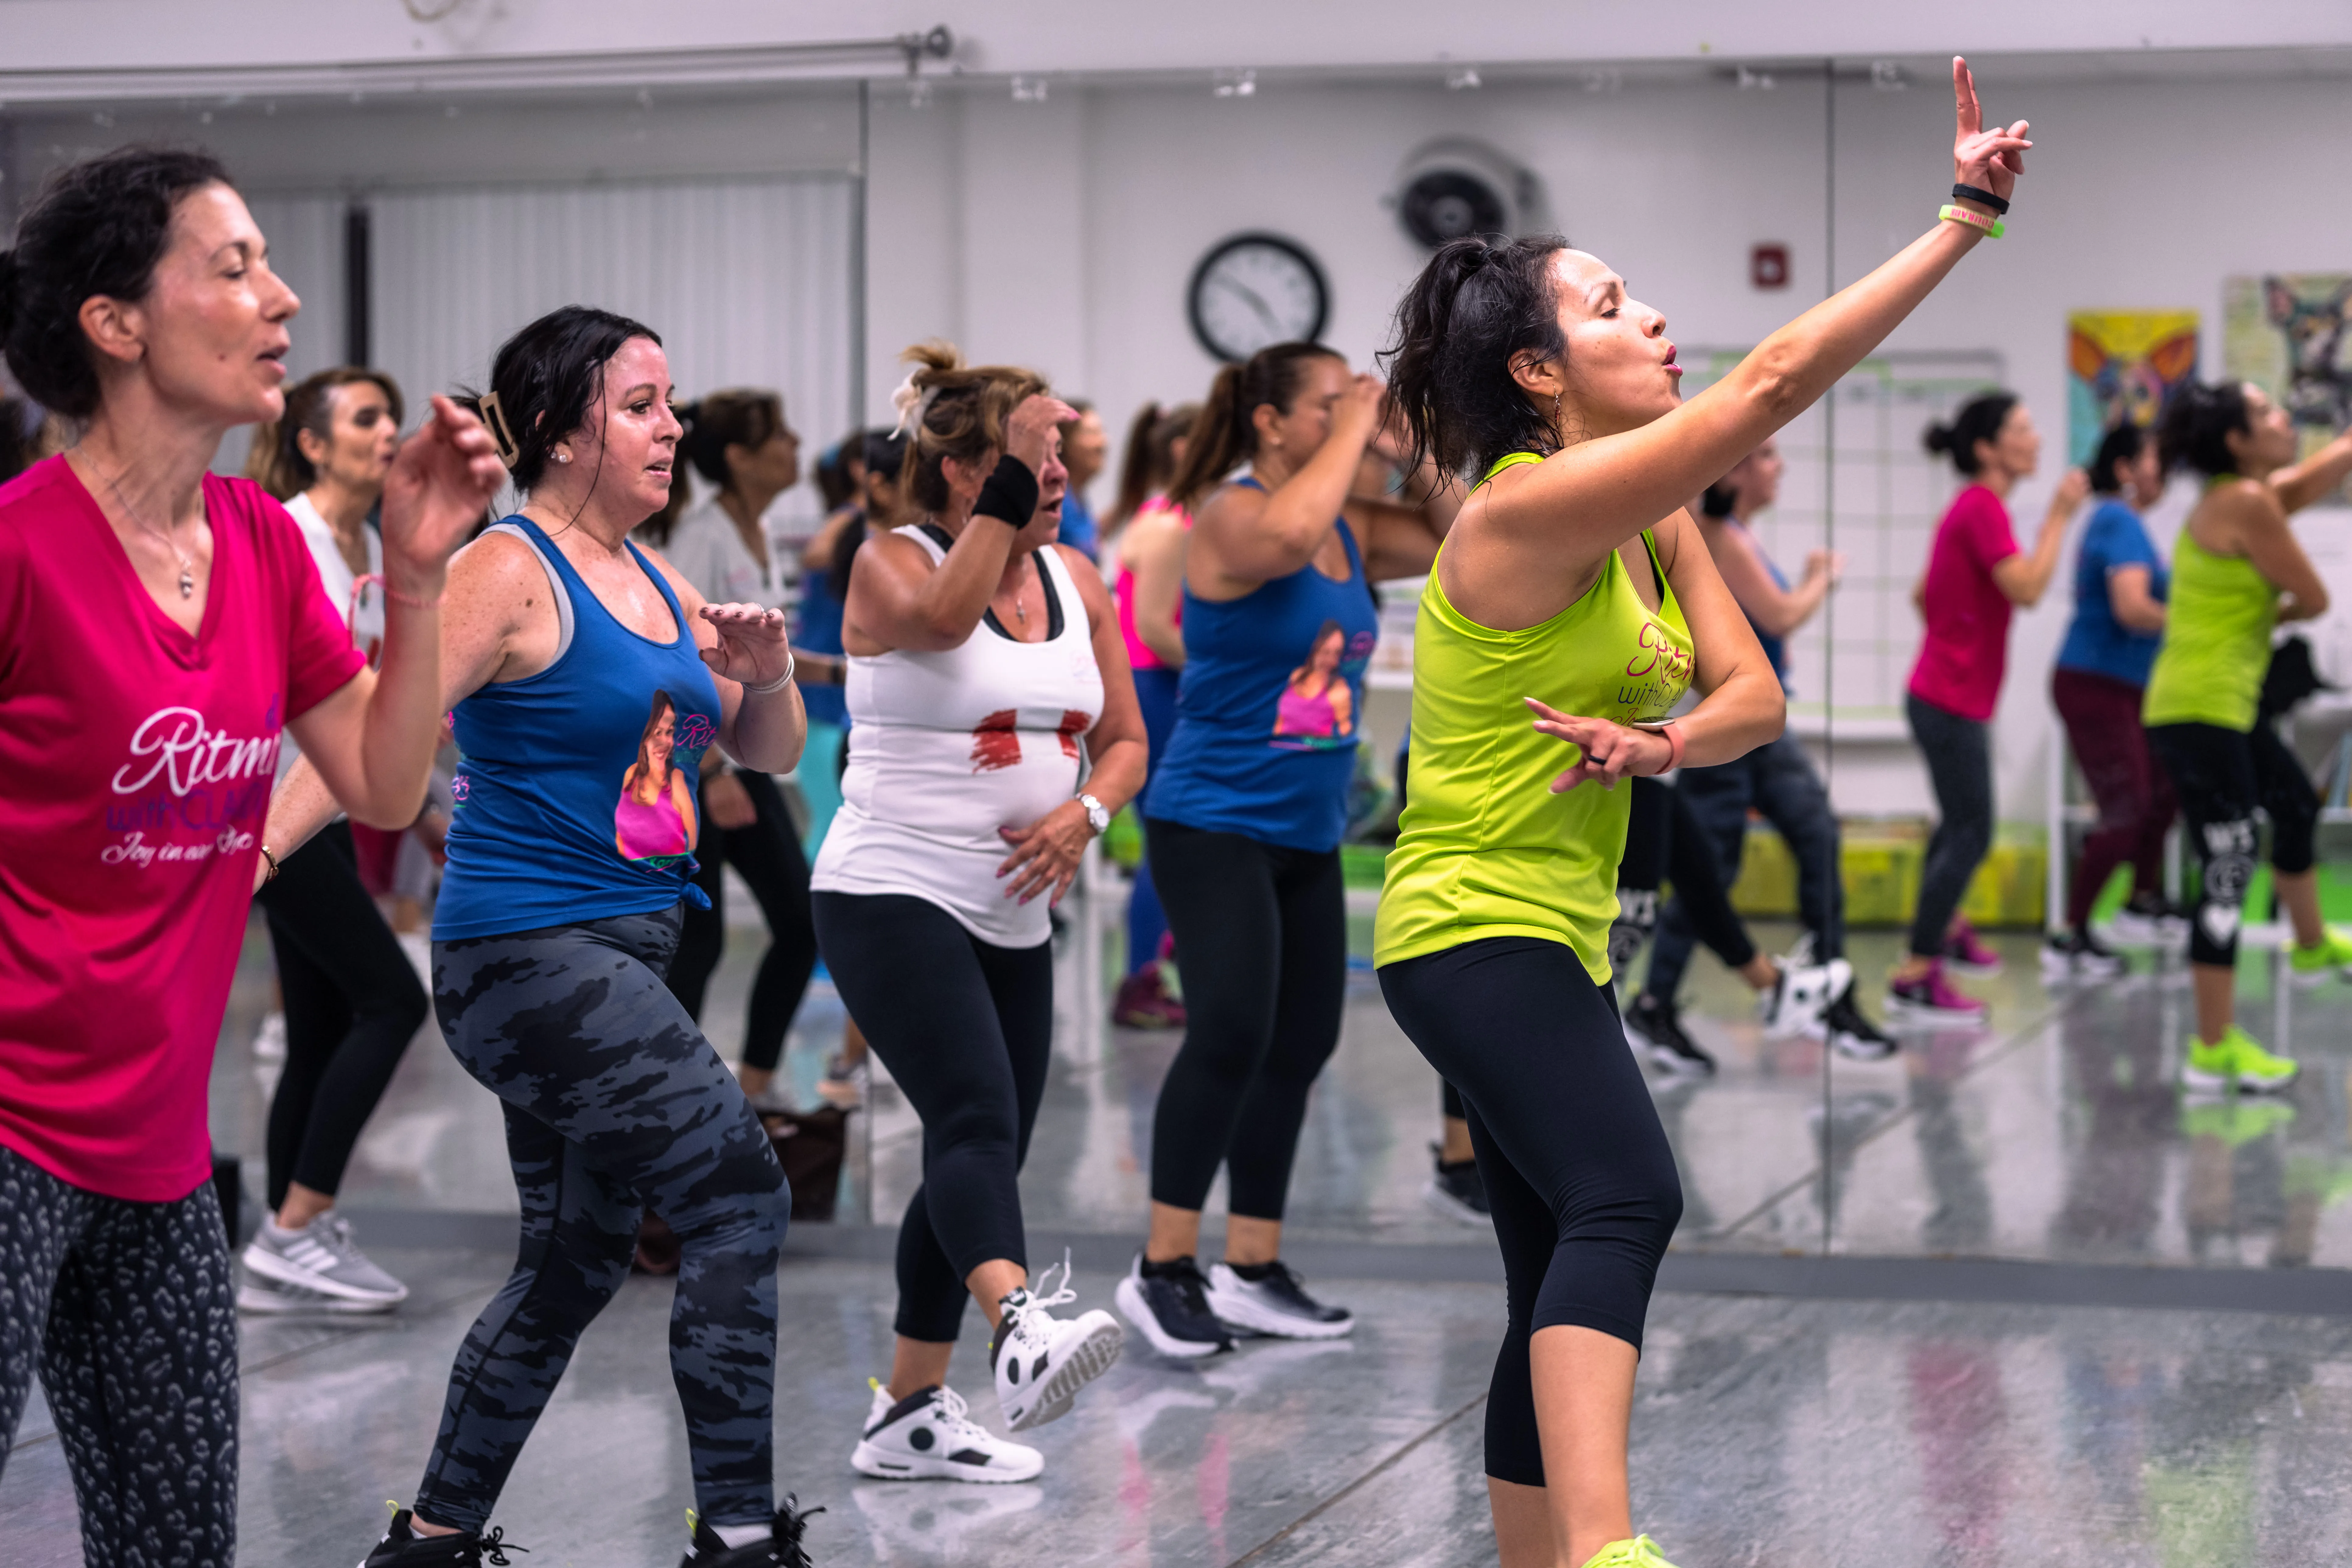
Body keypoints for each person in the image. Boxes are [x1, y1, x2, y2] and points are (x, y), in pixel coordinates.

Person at [1375, 62, 2031, 1568]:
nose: (1651, 318)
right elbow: (1774, 384)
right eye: (1608, 307)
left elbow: (1753, 699)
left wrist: (1655, 739)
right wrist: (1959, 223)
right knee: (1626, 1190)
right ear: (1537, 373)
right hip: (1467, 925)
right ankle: (1610, 1551)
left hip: (1556, 925)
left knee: (1552, 1263)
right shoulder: (1521, 512)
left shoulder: (1651, 515)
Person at [0, 145, 500, 1568]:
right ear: (117, 323)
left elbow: (385, 779)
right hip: (8, 1134)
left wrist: (412, 577)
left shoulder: (260, 549)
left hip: (160, 1156)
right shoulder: (20, 555)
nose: (280, 297)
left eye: (272, 265)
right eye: (233, 268)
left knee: (175, 1545)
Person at [261, 306, 816, 1567]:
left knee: (576, 1259)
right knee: (738, 1196)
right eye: (640, 405)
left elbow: (764, 752)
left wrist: (770, 670)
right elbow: (366, 732)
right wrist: (246, 854)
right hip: (527, 955)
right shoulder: (506, 569)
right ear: (565, 432)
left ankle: (432, 1539)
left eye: (670, 401)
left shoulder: (658, 577)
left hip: (625, 954)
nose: (673, 425)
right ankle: (738, 1536)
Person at [811, 343, 1146, 1479]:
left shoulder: (1080, 582)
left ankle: (909, 1411)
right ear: (963, 470)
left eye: (1061, 450)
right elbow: (950, 623)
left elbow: (1128, 741)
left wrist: (1085, 817)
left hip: (1016, 904)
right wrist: (1003, 497)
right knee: (967, 1116)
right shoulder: (886, 565)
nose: (1062, 468)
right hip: (890, 884)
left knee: (982, 1148)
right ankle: (1018, 1330)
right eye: (1040, 449)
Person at [1118, 341, 1457, 1359]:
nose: (1346, 417)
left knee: (1300, 1045)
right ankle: (1162, 1268)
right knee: (1226, 1036)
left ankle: (1252, 1267)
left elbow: (1459, 537)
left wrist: (1414, 439)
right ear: (1269, 421)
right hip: (1211, 822)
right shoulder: (1223, 513)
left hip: (1305, 832)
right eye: (1324, 404)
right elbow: (1286, 527)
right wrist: (1362, 422)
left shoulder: (1349, 526)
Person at [237, 365, 434, 1314]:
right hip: (271, 810)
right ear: (313, 442)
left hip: (328, 808)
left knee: (318, 1026)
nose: (387, 429)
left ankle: (288, 1233)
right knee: (392, 999)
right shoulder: (290, 535)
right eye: (365, 417)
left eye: (391, 414)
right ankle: (292, 1227)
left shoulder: (366, 541)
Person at [1633, 438, 1896, 1059]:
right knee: (1712, 870)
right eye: (1769, 455)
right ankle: (1656, 1004)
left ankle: (1828, 993)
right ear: (1739, 469)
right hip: (1726, 726)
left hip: (1757, 728)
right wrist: (1819, 579)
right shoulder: (1716, 535)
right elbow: (1778, 616)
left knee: (1815, 835)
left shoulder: (1738, 535)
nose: (1780, 467)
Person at [2144, 380, 2352, 1095]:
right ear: (2237, 440)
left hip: (2218, 709)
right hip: (2199, 710)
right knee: (2229, 872)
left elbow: (2318, 473)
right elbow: (2318, 598)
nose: (2284, 419)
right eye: (2267, 413)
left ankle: (2311, 944)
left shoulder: (2244, 499)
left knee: (2294, 802)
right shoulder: (2248, 504)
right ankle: (2213, 1049)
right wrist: (2278, 616)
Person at [1891, 390, 2087, 1024]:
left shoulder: (1975, 507)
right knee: (1974, 832)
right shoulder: (1982, 507)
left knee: (1957, 826)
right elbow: (2027, 589)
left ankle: (1943, 927)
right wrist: (2059, 515)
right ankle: (1918, 972)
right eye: (2023, 429)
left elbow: (1925, 593)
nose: (2035, 440)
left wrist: (1955, 637)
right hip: (1948, 700)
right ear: (1987, 448)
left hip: (1946, 692)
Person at [657, 390, 827, 1110]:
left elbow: (761, 651)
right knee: (699, 945)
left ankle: (752, 1090)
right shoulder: (703, 538)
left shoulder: (753, 530)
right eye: (778, 434)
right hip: (695, 765)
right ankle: (663, 1108)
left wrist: (848, 669)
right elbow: (680, 657)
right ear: (738, 457)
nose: (795, 445)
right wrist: (716, 769)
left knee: (799, 924)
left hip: (739, 756)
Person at [2048, 422, 2181, 972]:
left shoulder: (2125, 523)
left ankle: (2140, 899)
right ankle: (2071, 934)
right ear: (2124, 468)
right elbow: (2131, 608)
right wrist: (2193, 625)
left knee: (2162, 791)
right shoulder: (2118, 518)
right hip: (2095, 683)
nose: (2165, 471)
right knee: (2124, 808)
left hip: (2124, 686)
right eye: (2154, 458)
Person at [1108, 401, 1198, 1028]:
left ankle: (1156, 961)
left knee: (1174, 843)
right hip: (1155, 688)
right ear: (1182, 448)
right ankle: (1140, 978)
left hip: (1156, 686)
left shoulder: (1165, 514)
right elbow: (1154, 630)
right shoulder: (1169, 524)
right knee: (1167, 844)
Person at [1054, 398, 1108, 559]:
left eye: (1102, 432)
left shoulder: (1079, 498)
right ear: (1065, 442)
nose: (1103, 443)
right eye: (1092, 433)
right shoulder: (1055, 499)